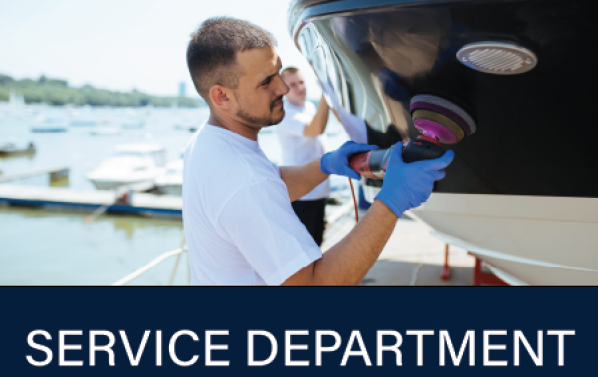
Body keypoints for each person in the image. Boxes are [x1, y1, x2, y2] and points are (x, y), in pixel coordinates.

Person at [183, 17, 454, 285]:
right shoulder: (245, 181)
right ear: (222, 97)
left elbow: (271, 185)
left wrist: (325, 165)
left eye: (277, 71)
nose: (283, 87)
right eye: (266, 81)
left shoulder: (205, 144)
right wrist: (392, 201)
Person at [276, 67, 329, 246]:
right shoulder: (285, 114)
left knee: (317, 245)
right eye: (293, 84)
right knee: (305, 250)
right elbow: (316, 128)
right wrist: (327, 92)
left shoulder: (308, 106)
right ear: (284, 89)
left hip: (319, 189)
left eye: (301, 82)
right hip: (301, 194)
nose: (300, 88)